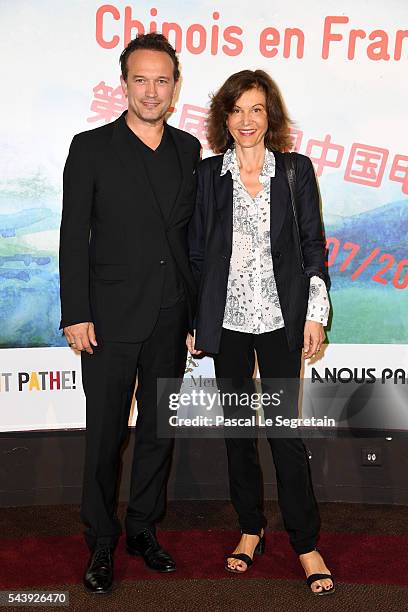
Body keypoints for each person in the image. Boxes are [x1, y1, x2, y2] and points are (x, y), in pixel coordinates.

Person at [59, 33, 201, 594]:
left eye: (161, 80)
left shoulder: (189, 150)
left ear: (175, 87)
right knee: (105, 436)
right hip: (109, 318)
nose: (150, 90)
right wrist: (76, 311)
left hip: (170, 315)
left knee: (159, 433)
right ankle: (100, 540)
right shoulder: (91, 146)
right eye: (140, 79)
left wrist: (194, 317)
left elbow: (191, 241)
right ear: (124, 85)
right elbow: (74, 236)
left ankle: (143, 529)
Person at [187, 70, 335, 595]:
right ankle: (250, 528)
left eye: (256, 109)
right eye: (236, 110)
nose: (246, 121)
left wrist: (315, 312)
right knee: (236, 434)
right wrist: (194, 322)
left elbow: (312, 246)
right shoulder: (208, 176)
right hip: (227, 324)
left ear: (268, 115)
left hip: (279, 321)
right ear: (223, 118)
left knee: (284, 433)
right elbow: (198, 255)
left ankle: (305, 542)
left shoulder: (294, 171)